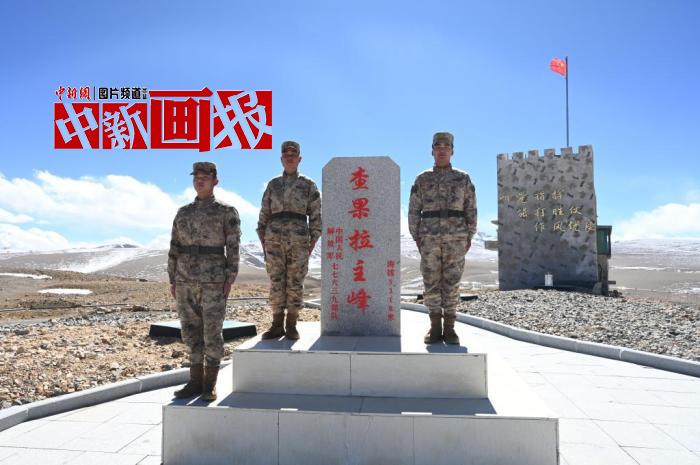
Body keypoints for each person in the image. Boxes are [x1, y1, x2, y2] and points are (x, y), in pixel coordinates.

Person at [168, 162, 240, 401]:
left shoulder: (226, 212)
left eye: (205, 177)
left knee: (212, 332)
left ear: (215, 181)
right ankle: (194, 381)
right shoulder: (183, 213)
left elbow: (233, 247)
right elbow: (174, 247)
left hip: (213, 281)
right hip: (185, 279)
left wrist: (230, 278)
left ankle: (210, 384)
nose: (199, 181)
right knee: (190, 332)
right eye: (196, 177)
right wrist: (172, 279)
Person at [408, 132, 477, 345]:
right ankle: (435, 327)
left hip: (456, 238)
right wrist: (417, 236)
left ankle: (450, 328)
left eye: (446, 146)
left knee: (452, 283)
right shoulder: (422, 179)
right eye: (438, 146)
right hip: (429, 238)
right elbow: (414, 210)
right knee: (431, 282)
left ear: (452, 151)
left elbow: (471, 209)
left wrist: (469, 235)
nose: (442, 150)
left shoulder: (463, 178)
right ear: (432, 151)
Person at [257, 141, 321, 340]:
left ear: (299, 159)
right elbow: (264, 214)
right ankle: (276, 324)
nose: (290, 158)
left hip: (298, 242)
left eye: (293, 155)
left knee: (295, 282)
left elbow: (316, 216)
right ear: (281, 159)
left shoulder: (308, 185)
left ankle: (291, 324)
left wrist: (312, 241)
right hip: (273, 241)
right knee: (276, 281)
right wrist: (264, 240)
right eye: (286, 155)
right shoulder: (273, 185)